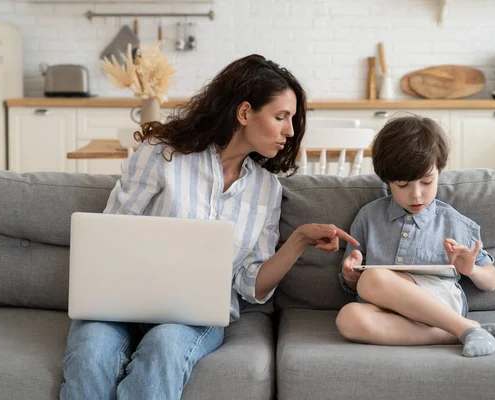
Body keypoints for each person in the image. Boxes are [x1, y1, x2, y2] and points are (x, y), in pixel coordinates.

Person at [60, 54, 358, 399]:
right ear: (244, 113)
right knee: (91, 354)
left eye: (291, 120)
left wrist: (299, 240)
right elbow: (109, 233)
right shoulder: (162, 155)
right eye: (280, 117)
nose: (290, 131)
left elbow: (251, 285)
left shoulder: (266, 189)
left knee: (164, 348)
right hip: (120, 304)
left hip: (192, 317)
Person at [335, 116, 495, 358]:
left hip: (440, 305)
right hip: (386, 310)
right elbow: (353, 283)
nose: (416, 195)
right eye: (404, 185)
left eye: (427, 182)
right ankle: (468, 331)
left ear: (439, 171)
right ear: (388, 182)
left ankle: (460, 326)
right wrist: (350, 274)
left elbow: (491, 281)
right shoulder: (368, 217)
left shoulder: (453, 222)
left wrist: (470, 270)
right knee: (348, 318)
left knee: (372, 279)